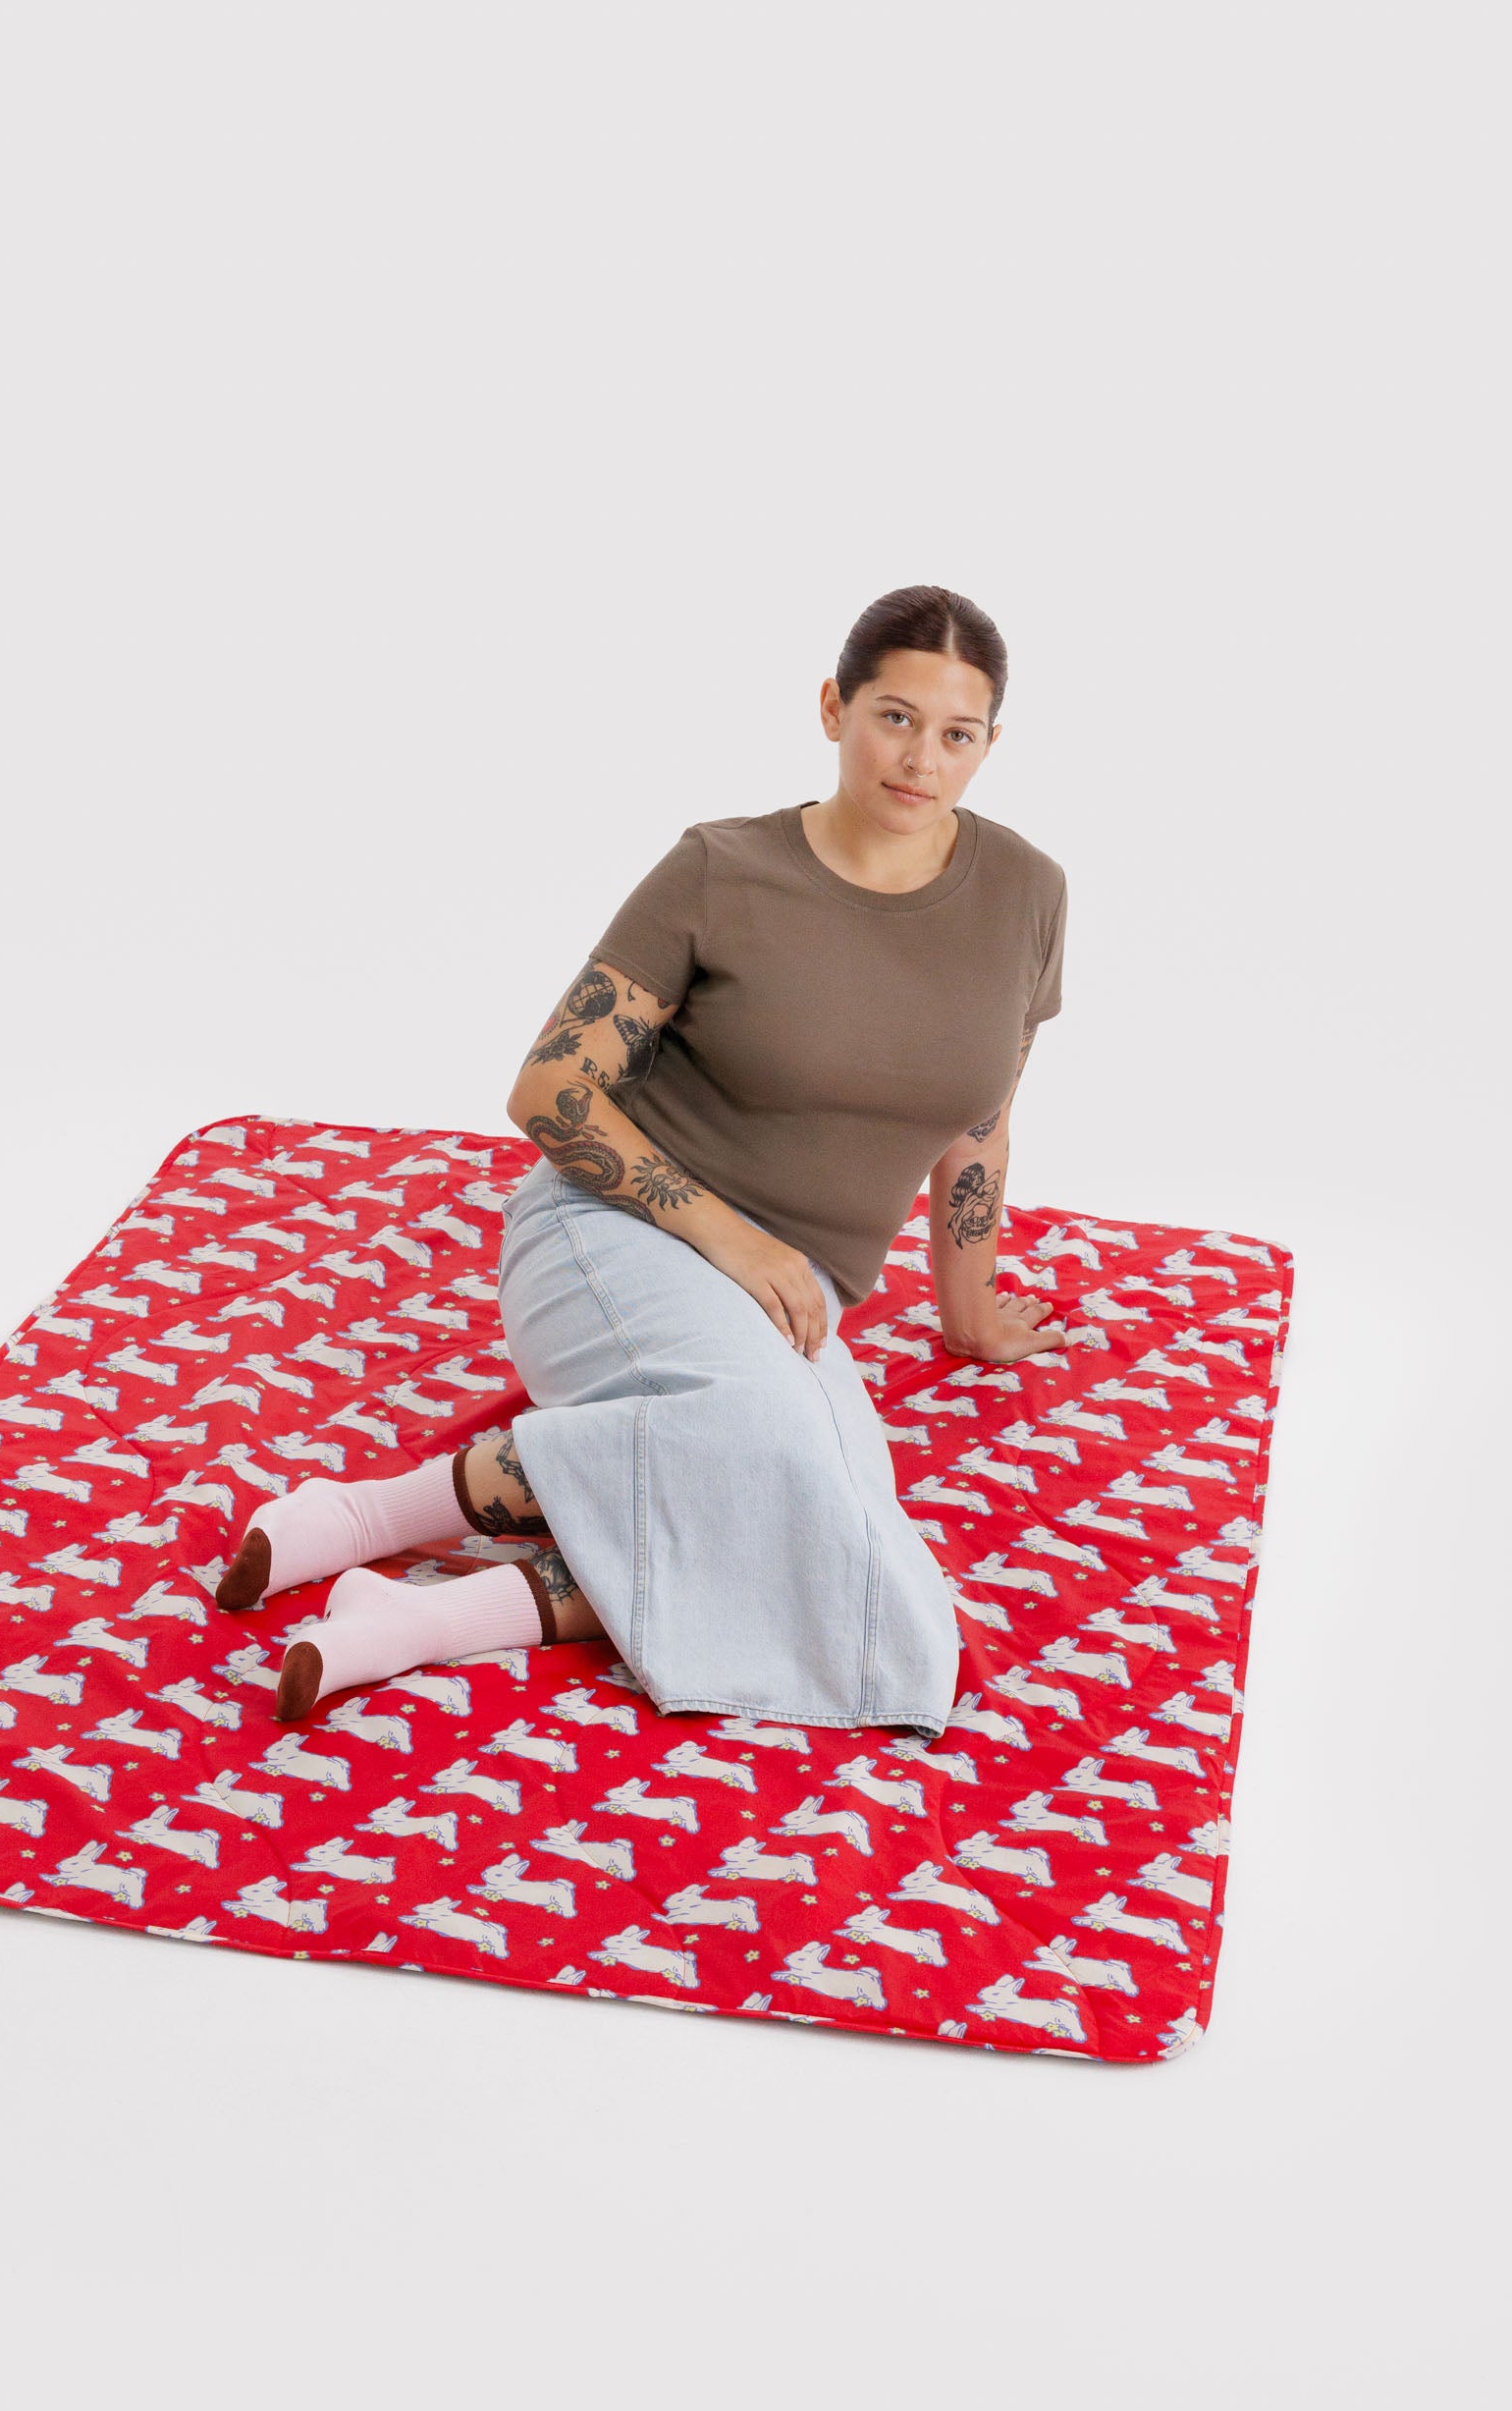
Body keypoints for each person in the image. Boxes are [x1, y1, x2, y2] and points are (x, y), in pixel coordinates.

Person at [218, 584, 1069, 1728]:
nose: (920, 757)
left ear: (988, 746)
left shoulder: (1026, 895)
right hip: (612, 1230)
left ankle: (414, 1615)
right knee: (770, 1458)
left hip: (787, 1293)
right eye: (893, 716)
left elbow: (979, 1120)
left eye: (955, 733)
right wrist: (730, 1234)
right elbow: (549, 1088)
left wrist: (968, 1317)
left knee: (840, 1546)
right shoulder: (722, 870)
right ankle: (378, 1513)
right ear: (832, 708)